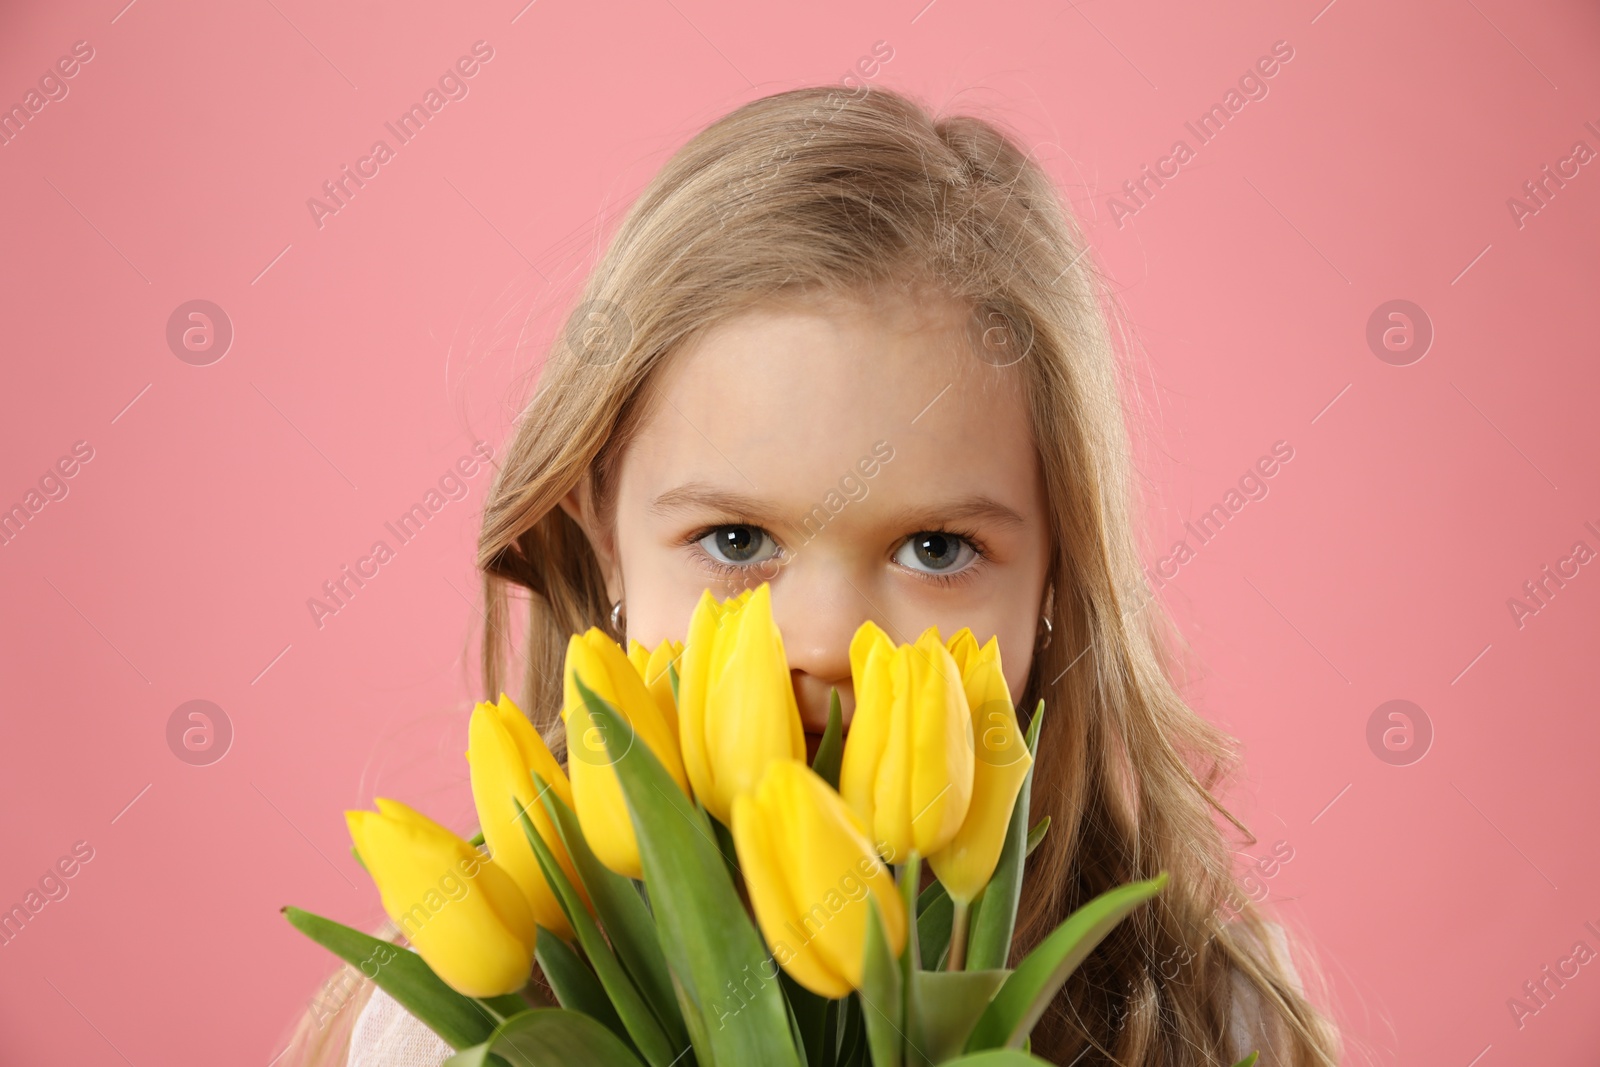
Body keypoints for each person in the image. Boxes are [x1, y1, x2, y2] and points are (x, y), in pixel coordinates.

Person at [278, 84, 1341, 1066]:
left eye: (935, 548)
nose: (826, 635)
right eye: (737, 541)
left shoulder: (1202, 1016)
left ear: (1058, 577)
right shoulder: (451, 1027)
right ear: (603, 533)